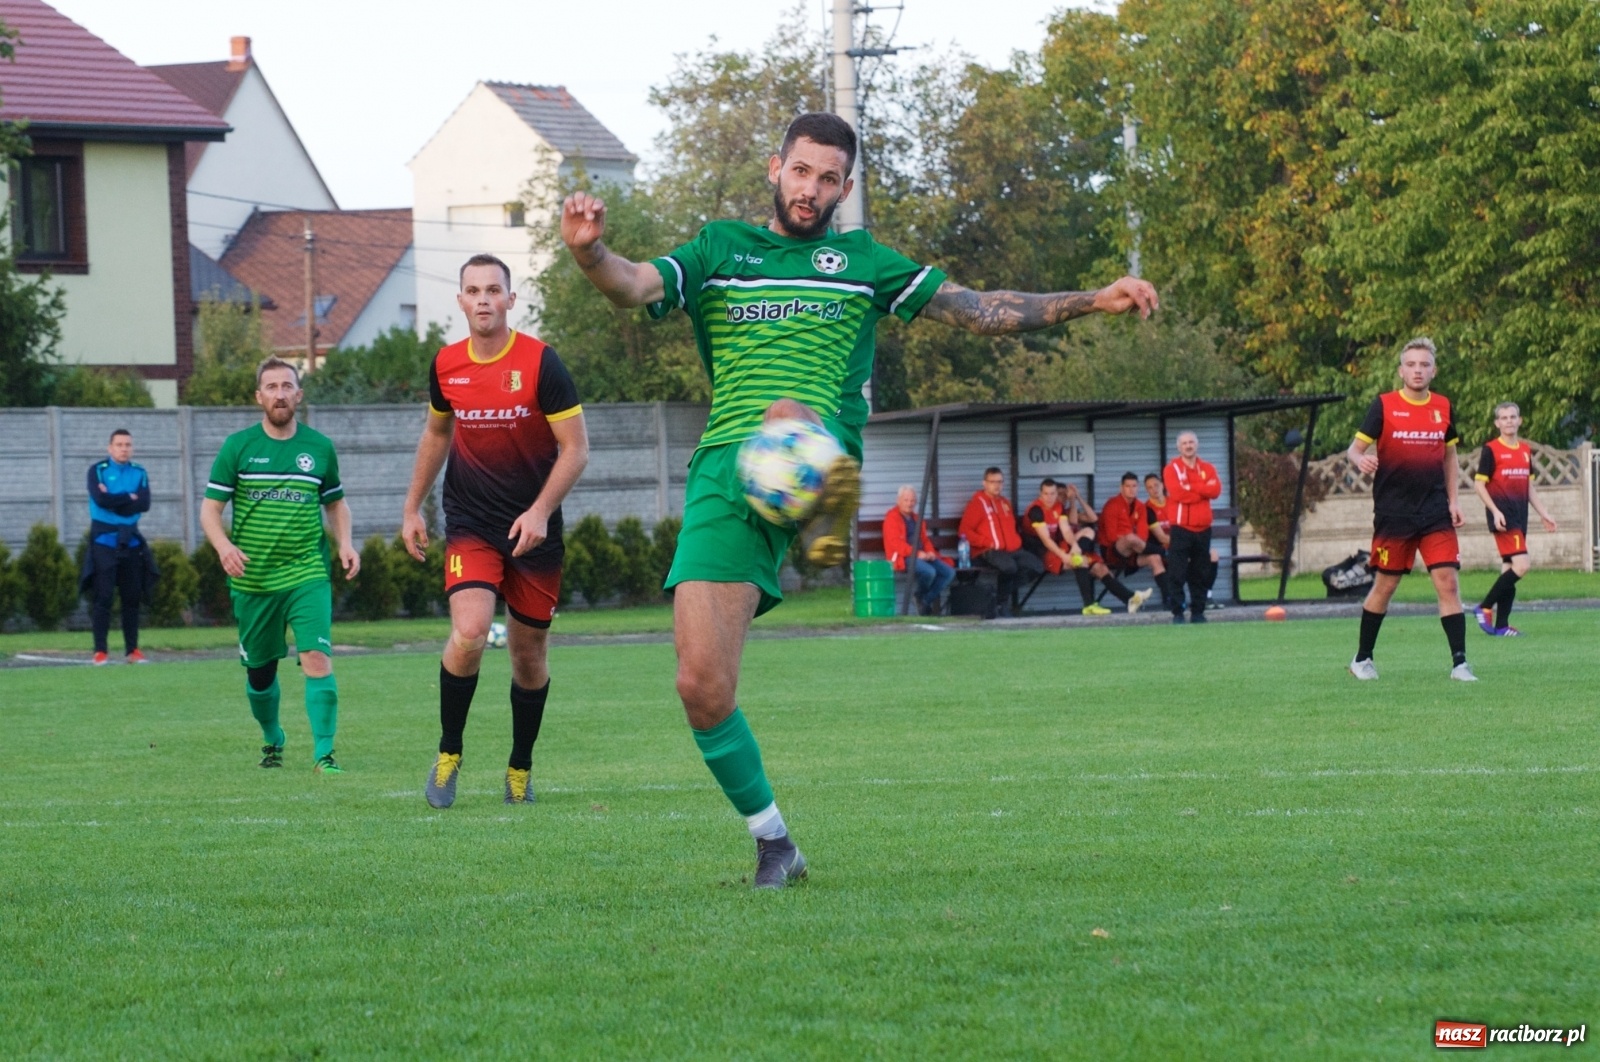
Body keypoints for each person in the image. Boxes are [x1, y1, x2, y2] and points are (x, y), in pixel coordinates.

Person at [560, 111, 1157, 888]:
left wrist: (1093, 298)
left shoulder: (863, 261)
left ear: (845, 188)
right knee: (700, 686)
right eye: (802, 171)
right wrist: (590, 252)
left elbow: (977, 309)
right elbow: (634, 285)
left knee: (783, 416)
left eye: (830, 178)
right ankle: (776, 843)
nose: (813, 189)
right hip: (721, 477)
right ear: (776, 169)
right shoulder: (720, 249)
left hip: (813, 445)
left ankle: (827, 513)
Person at [402, 254, 589, 809]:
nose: (483, 299)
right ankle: (449, 753)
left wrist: (539, 510)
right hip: (471, 523)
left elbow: (576, 449)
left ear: (511, 299)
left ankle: (519, 768)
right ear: (459, 301)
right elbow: (437, 435)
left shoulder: (540, 364)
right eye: (472, 290)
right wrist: (412, 507)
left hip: (534, 529)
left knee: (529, 657)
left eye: (493, 290)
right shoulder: (446, 365)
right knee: (470, 630)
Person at [201, 358, 361, 772]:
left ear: (299, 394)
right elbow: (210, 510)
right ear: (259, 397)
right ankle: (273, 736)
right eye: (270, 387)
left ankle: (324, 754)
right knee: (259, 672)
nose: (279, 393)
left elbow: (336, 503)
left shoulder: (319, 448)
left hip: (307, 573)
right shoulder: (238, 448)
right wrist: (223, 547)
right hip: (254, 580)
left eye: (287, 386)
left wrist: (345, 542)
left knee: (316, 657)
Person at [1346, 338, 1474, 681]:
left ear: (1434, 370)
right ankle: (1362, 658)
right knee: (1385, 587)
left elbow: (1450, 456)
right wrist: (1362, 459)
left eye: (1424, 365)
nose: (1418, 370)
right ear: (1401, 370)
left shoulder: (1443, 407)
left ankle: (1460, 663)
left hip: (1434, 512)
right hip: (1394, 514)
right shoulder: (1384, 405)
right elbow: (1354, 450)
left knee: (1447, 583)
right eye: (1412, 365)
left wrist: (1454, 500)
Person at [1470, 401, 1556, 637]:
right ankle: (1484, 607)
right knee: (1522, 565)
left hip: (1520, 516)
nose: (1508, 421)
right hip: (1503, 517)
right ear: (1497, 423)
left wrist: (1544, 513)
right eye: (1504, 418)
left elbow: (1528, 487)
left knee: (1509, 569)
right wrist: (1495, 511)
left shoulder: (1525, 450)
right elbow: (1479, 485)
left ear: (1519, 420)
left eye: (1512, 417)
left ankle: (1501, 626)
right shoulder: (1491, 449)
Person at [1024, 479, 1148, 616]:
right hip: (1042, 553)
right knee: (1081, 560)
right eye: (1046, 494)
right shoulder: (1036, 510)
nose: (1050, 497)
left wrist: (1075, 546)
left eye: (1053, 494)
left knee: (1100, 567)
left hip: (1062, 548)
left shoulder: (1058, 507)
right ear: (1040, 494)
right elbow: (1046, 540)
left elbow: (1066, 531)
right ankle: (1088, 605)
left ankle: (1130, 599)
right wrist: (1065, 556)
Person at [84, 428, 154, 665]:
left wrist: (119, 500)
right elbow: (101, 500)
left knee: (131, 597)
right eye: (119, 445)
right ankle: (100, 651)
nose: (124, 449)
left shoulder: (139, 472)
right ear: (110, 448)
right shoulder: (98, 471)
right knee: (103, 596)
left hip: (131, 541)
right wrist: (129, 498)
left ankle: (132, 650)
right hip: (104, 540)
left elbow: (144, 504)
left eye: (128, 445)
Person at [960, 467, 1045, 617]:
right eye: (992, 482)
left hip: (1012, 550)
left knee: (1037, 567)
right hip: (987, 550)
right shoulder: (977, 504)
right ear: (984, 483)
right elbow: (964, 531)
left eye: (999, 482)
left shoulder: (1005, 502)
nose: (996, 485)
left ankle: (998, 597)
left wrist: (1016, 541)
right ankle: (1001, 604)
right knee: (1009, 567)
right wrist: (986, 542)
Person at [1163, 432, 1222, 624]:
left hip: (1203, 528)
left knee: (1200, 573)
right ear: (1178, 447)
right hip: (1181, 528)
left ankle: (1198, 612)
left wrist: (1193, 487)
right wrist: (1202, 489)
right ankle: (1178, 612)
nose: (1188, 446)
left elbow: (1215, 491)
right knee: (1177, 572)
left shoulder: (1208, 467)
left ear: (1197, 445)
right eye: (1184, 443)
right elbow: (1179, 494)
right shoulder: (1172, 469)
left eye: (1191, 442)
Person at [1145, 471, 1217, 611]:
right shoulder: (1147, 508)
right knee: (1187, 560)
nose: (1154, 489)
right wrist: (1183, 543)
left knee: (1212, 556)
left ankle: (1206, 596)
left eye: (1156, 485)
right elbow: (1161, 537)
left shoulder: (1174, 503)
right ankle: (1176, 600)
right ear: (1146, 490)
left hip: (1183, 543)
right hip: (1166, 548)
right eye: (1150, 487)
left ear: (1163, 485)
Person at [1098, 472, 1170, 601]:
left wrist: (1134, 542)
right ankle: (1166, 552)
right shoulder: (1112, 504)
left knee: (1155, 558)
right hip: (1113, 551)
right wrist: (1129, 539)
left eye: (1134, 486)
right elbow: (1111, 536)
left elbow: (1143, 535)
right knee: (1131, 538)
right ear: (1121, 488)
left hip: (1134, 551)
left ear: (1138, 488)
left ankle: (1169, 599)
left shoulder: (1141, 507)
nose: (1131, 489)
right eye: (1128, 486)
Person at [882, 485, 952, 615]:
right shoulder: (892, 518)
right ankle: (920, 596)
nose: (909, 504)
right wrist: (917, 553)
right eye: (906, 500)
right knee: (929, 572)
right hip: (903, 557)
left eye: (912, 500)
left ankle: (924, 600)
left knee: (948, 573)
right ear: (899, 500)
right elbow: (896, 544)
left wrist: (930, 552)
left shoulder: (916, 518)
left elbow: (924, 540)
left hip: (921, 555)